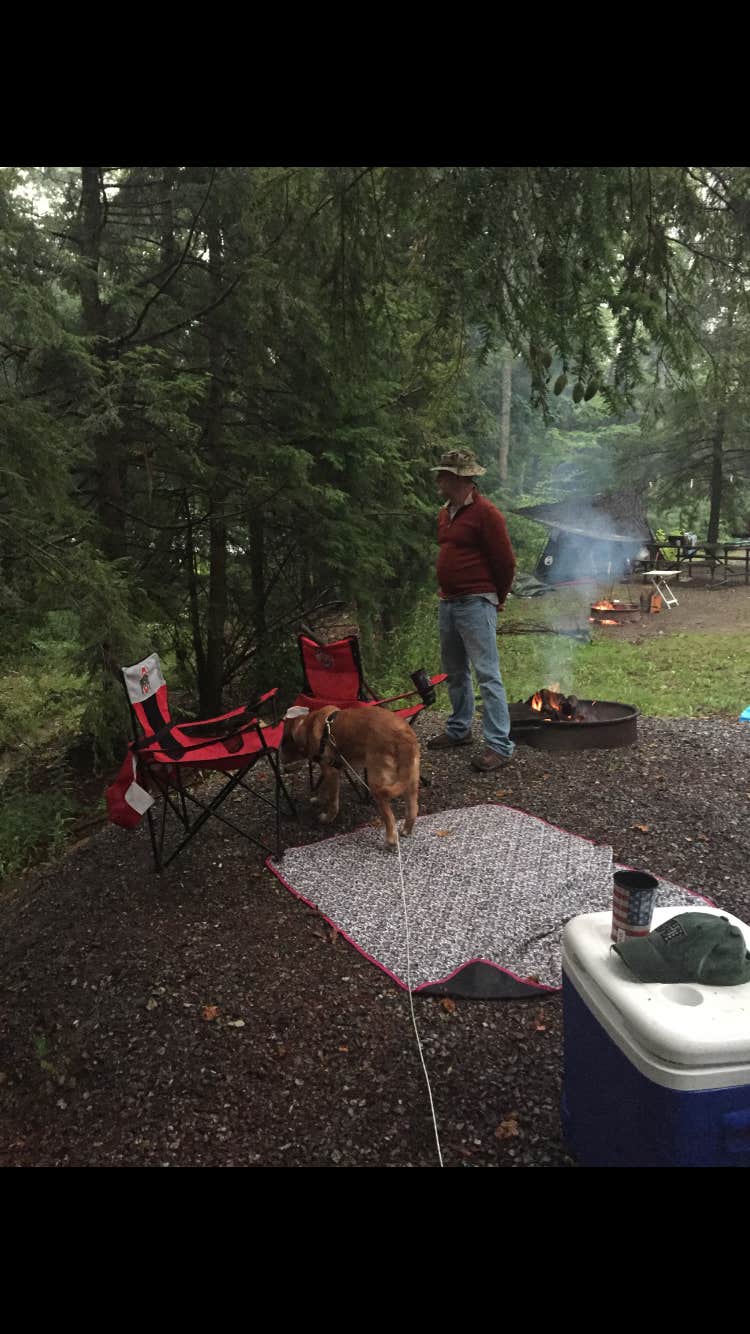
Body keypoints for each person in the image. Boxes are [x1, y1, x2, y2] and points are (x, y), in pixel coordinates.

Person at [426, 448, 517, 771]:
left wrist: (498, 597)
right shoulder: (445, 512)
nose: (439, 479)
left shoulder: (486, 513)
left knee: (487, 674)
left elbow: (505, 562)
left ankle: (499, 745)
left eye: (444, 474)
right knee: (455, 671)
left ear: (460, 478)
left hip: (477, 601)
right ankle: (459, 730)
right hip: (449, 601)